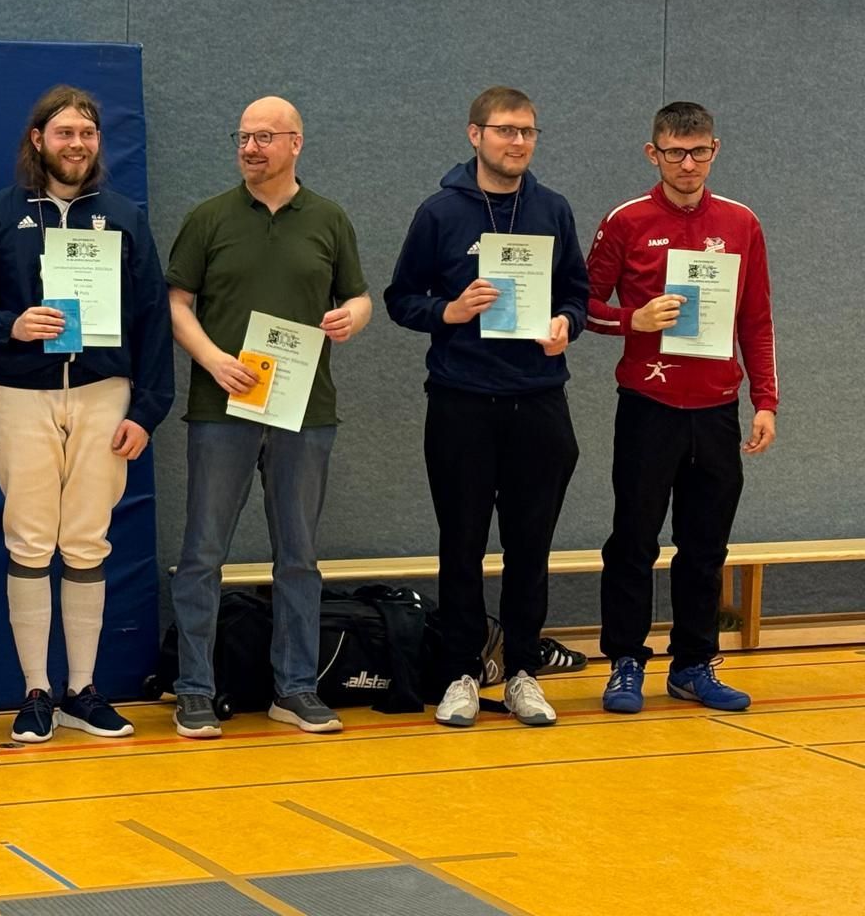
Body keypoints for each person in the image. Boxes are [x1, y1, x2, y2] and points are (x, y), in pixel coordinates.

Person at [0, 85, 174, 742]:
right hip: (23, 396)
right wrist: (11, 325)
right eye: (65, 133)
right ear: (38, 139)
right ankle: (35, 692)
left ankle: (82, 689)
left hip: (105, 395)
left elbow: (153, 319)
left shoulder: (124, 218)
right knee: (28, 541)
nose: (77, 144)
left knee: (86, 542)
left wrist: (147, 412)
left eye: (88, 133)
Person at [165, 96, 371, 739]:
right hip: (221, 409)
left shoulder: (329, 219)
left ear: (295, 144)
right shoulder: (208, 218)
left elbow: (359, 296)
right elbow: (176, 302)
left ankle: (297, 688)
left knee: (300, 557)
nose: (250, 148)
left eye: (264, 137)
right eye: (243, 138)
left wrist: (352, 318)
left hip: (304, 410)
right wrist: (212, 359)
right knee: (202, 554)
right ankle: (194, 690)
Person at [384, 86, 588, 729]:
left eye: (527, 131)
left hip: (539, 402)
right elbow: (400, 298)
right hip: (462, 404)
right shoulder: (440, 212)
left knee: (530, 547)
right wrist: (448, 310)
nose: (518, 142)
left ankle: (523, 670)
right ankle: (460, 674)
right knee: (462, 545)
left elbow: (577, 292)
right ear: (475, 135)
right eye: (505, 130)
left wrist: (566, 322)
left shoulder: (552, 209)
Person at [586, 102, 777, 714]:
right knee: (633, 540)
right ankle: (625, 662)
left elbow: (756, 319)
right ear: (654, 154)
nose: (687, 164)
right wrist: (633, 320)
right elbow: (580, 306)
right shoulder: (626, 221)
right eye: (674, 152)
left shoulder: (741, 222)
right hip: (649, 404)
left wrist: (766, 400)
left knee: (706, 545)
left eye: (698, 151)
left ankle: (694, 664)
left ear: (714, 150)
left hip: (718, 409)